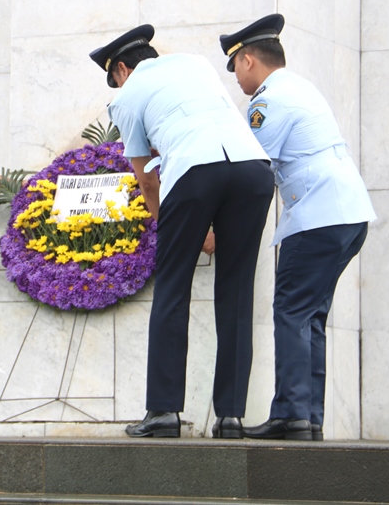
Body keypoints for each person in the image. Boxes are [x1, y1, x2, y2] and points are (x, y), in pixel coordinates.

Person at [89, 24, 275, 439]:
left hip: (193, 174)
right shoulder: (196, 64)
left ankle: (164, 412)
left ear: (121, 69)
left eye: (115, 77)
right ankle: (230, 417)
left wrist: (173, 225)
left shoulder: (127, 97)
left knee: (172, 289)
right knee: (236, 292)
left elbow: (146, 180)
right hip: (253, 170)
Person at [220, 13, 376, 441]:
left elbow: (253, 169)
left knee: (291, 310)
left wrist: (222, 227)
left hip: (319, 217)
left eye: (234, 66)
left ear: (248, 60)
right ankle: (308, 417)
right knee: (310, 316)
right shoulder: (300, 87)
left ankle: (291, 414)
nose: (234, 76)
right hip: (347, 214)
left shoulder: (268, 101)